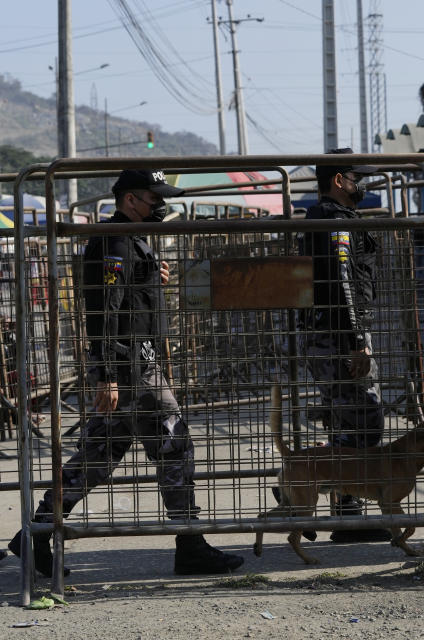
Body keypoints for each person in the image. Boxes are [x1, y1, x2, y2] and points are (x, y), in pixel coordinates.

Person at [7, 169, 244, 577]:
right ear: (130, 199)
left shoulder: (129, 240)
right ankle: (189, 544)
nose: (160, 206)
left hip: (135, 364)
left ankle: (36, 531)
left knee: (97, 457)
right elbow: (105, 310)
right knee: (175, 447)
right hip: (133, 368)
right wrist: (109, 375)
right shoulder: (115, 240)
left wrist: (153, 278)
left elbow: (127, 296)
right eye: (154, 199)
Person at [299, 148, 390, 543]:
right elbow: (343, 281)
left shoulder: (330, 219)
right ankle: (339, 504)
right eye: (357, 177)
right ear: (339, 181)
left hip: (330, 333)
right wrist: (356, 340)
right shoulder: (334, 222)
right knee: (364, 419)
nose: (362, 184)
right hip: (338, 335)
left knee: (345, 421)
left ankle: (344, 509)